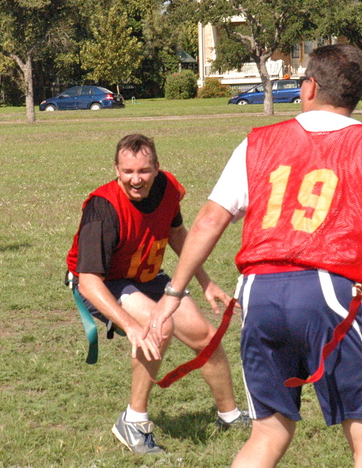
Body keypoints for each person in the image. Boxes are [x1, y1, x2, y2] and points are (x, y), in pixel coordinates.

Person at [148, 44, 362, 468]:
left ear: (310, 86)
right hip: (329, 292)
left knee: (269, 431)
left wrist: (173, 293)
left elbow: (208, 219)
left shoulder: (258, 142)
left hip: (259, 292)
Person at [66, 134, 249, 454]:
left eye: (144, 171)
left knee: (206, 337)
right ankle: (133, 421)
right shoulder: (103, 208)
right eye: (128, 172)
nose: (136, 179)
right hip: (106, 282)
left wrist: (204, 280)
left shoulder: (167, 188)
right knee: (157, 326)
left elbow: (177, 234)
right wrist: (133, 326)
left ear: (157, 168)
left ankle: (229, 416)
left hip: (147, 276)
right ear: (116, 169)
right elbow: (88, 282)